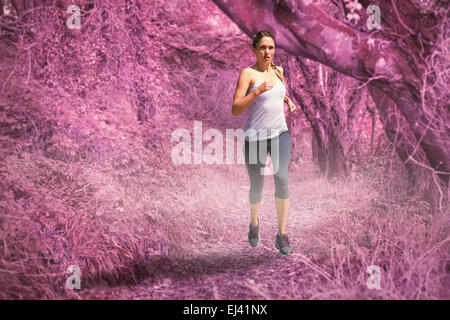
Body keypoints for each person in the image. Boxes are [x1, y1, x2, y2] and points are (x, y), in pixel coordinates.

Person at [232, 30, 297, 256]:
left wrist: (288, 100)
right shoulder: (247, 74)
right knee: (257, 185)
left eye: (270, 47)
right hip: (255, 137)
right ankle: (254, 222)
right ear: (254, 49)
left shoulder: (279, 71)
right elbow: (236, 108)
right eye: (262, 47)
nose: (267, 51)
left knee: (281, 178)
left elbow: (278, 93)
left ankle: (281, 235)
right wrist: (257, 90)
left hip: (280, 133)